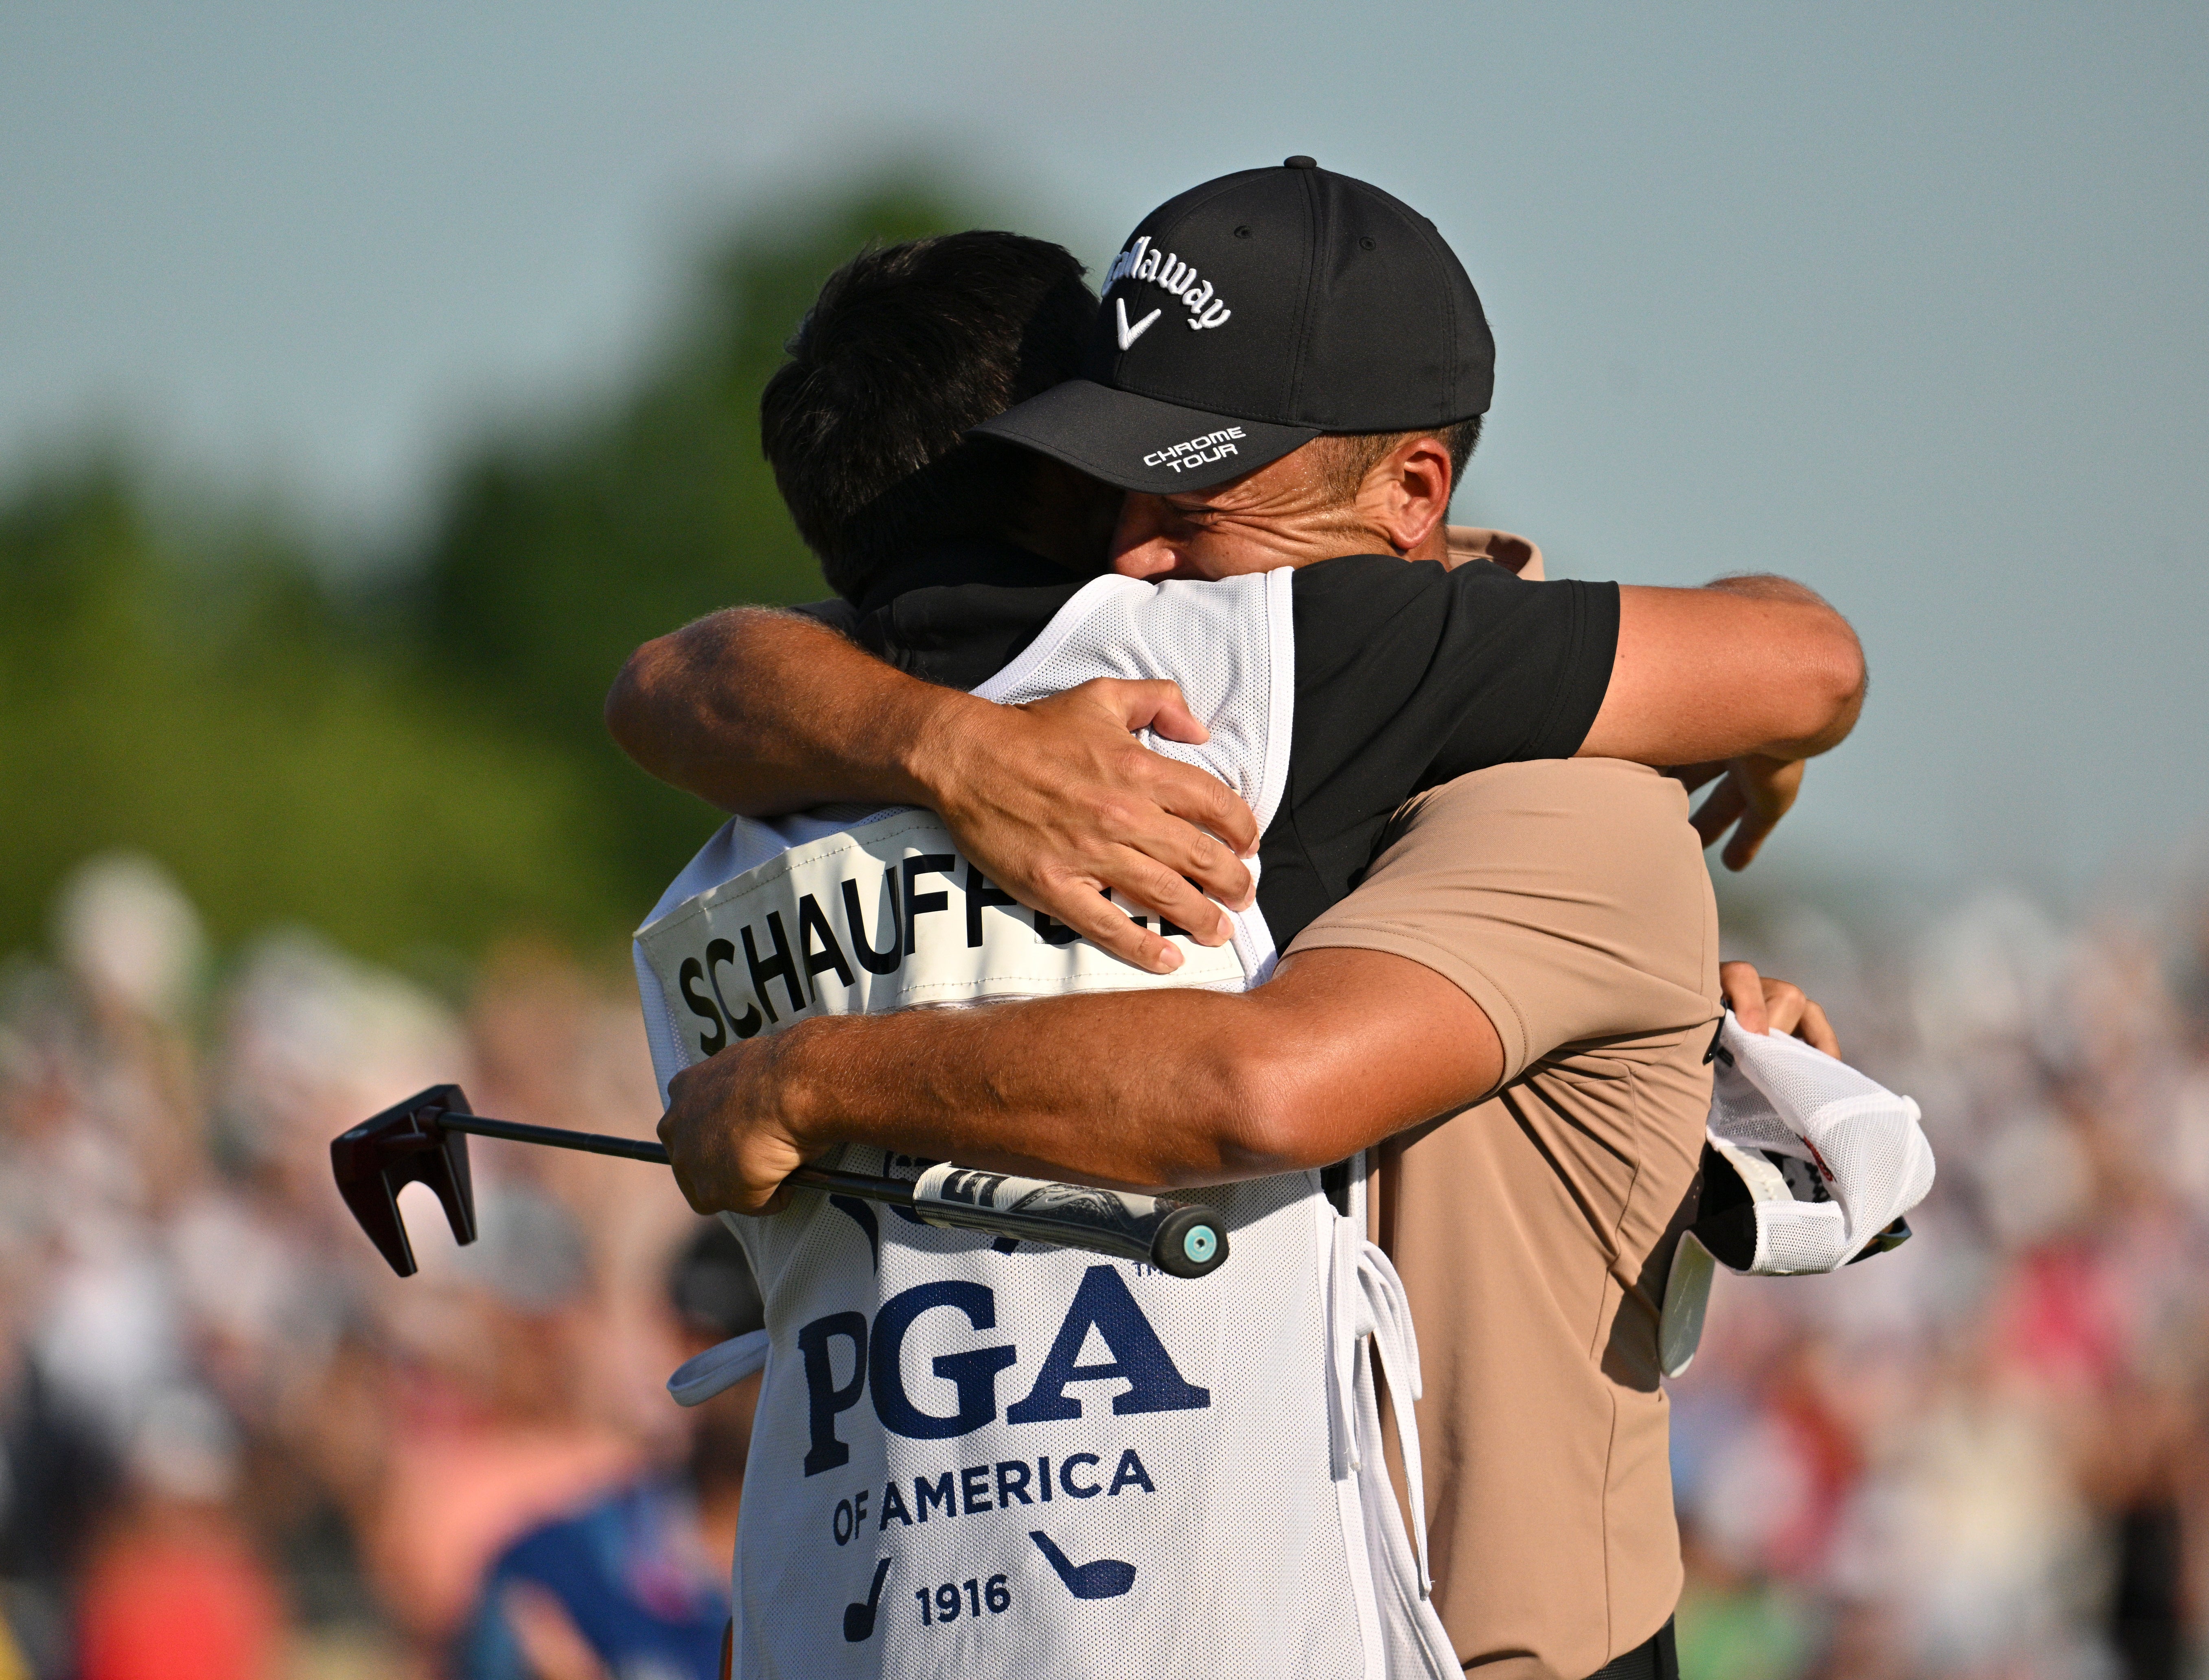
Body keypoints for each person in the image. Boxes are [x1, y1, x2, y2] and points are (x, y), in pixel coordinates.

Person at [622, 162, 1864, 1680]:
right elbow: (1800, 657)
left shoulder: (771, 782)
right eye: (1104, 476)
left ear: (1412, 494)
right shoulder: (1250, 659)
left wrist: (823, 1024)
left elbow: (662, 678)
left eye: (1189, 490)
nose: (1138, 552)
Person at [456, 1225, 761, 1680]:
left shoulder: (872, 1554)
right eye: (699, 1336)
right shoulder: (556, 1570)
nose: (709, 1358)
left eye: (759, 1338)